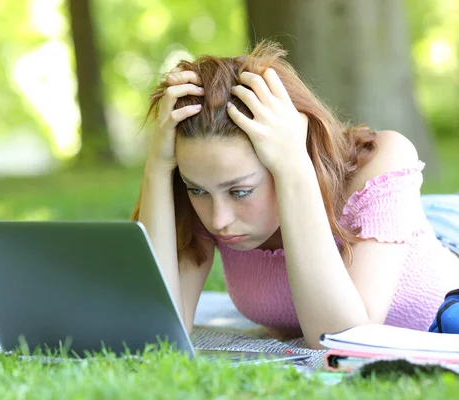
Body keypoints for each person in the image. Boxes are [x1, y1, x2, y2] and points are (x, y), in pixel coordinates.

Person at [131, 40, 459, 349]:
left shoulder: (381, 161)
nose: (219, 219)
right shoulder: (211, 188)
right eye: (196, 189)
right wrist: (157, 168)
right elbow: (156, 328)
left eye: (241, 191)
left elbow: (344, 337)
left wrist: (293, 166)